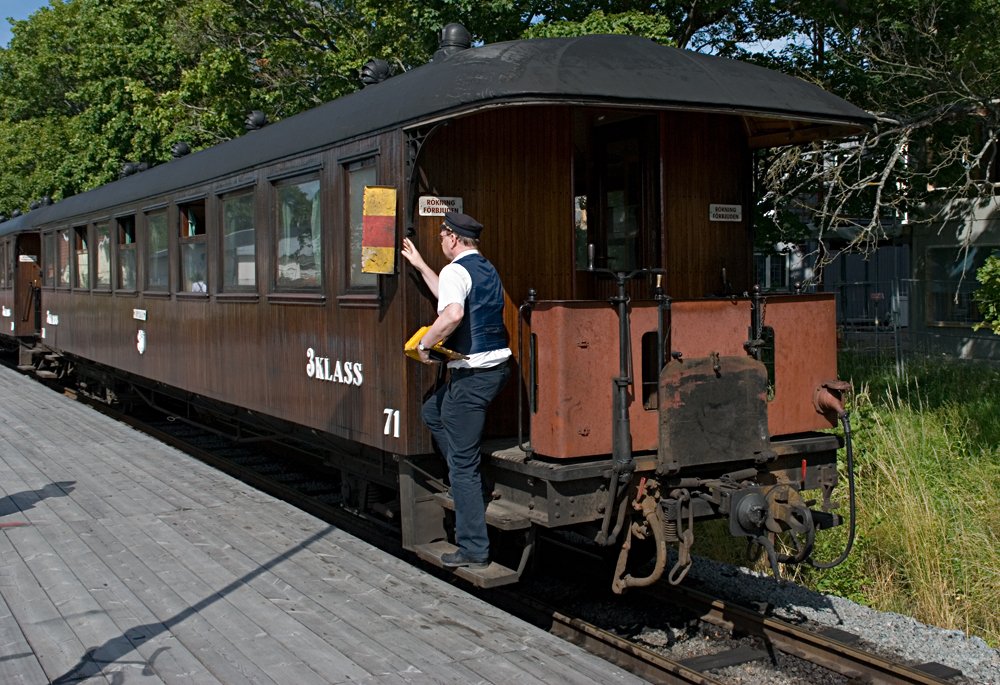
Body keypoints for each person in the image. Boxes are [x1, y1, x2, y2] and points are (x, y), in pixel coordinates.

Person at [401, 211, 512, 569]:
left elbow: (451, 314)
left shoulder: (455, 271)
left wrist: (425, 345)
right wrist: (420, 265)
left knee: (463, 466)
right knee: (433, 411)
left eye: (440, 237)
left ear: (451, 237)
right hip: (497, 370)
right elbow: (449, 295)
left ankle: (474, 549)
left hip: (473, 375)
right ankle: (470, 487)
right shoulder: (483, 267)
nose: (440, 242)